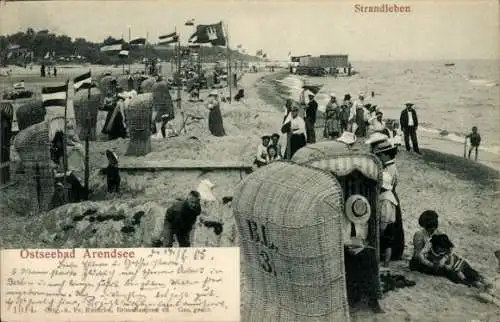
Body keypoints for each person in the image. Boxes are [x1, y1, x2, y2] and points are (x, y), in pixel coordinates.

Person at [372, 140, 405, 264]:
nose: (379, 158)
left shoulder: (390, 168)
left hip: (389, 195)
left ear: (386, 154)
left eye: (379, 155)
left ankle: (393, 253)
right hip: (391, 195)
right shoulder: (390, 165)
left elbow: (389, 183)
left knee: (390, 227)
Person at [425, 234, 491, 289]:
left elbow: (451, 258)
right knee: (461, 279)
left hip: (459, 264)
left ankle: (482, 280)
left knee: (469, 272)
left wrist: (447, 263)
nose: (442, 250)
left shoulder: (446, 252)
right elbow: (437, 265)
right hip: (453, 271)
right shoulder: (432, 254)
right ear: (435, 245)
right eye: (440, 248)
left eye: (443, 248)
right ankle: (477, 284)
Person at [409, 210, 443, 274]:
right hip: (420, 263)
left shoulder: (439, 233)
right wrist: (431, 264)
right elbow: (417, 255)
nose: (433, 229)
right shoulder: (419, 234)